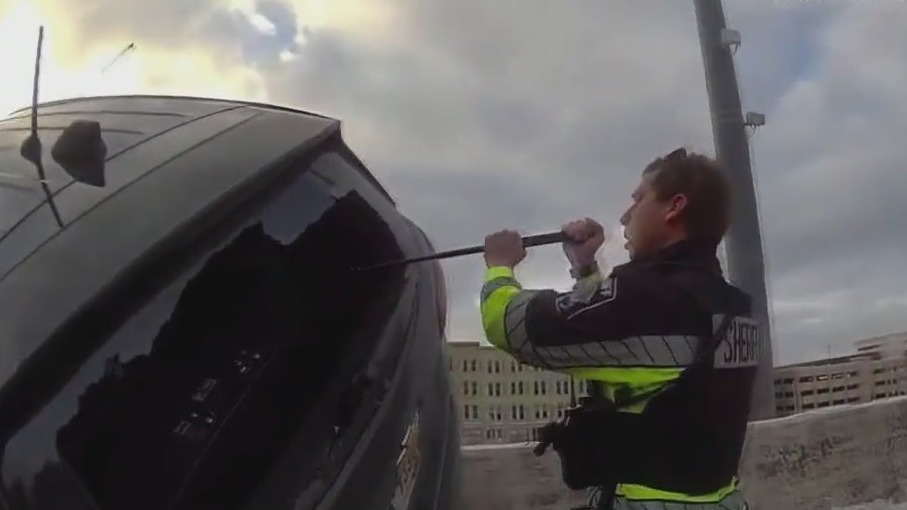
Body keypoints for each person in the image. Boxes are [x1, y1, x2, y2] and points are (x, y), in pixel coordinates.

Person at [479, 147, 758, 510]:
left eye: (638, 200)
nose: (625, 216)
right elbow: (622, 341)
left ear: (674, 207)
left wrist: (499, 266)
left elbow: (515, 327)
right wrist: (585, 268)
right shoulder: (731, 305)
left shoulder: (649, 299)